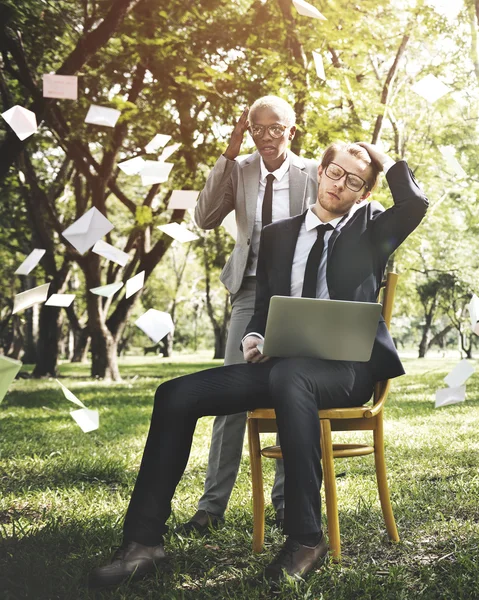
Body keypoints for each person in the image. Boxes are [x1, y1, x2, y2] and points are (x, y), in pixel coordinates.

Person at [89, 142, 428, 588]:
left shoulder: (372, 228)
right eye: (335, 172)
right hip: (282, 368)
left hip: (346, 372)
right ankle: (143, 542)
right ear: (321, 172)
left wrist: (379, 156)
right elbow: (263, 306)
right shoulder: (279, 233)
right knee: (175, 394)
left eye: (354, 181)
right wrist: (254, 337)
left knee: (292, 377)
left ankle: (306, 539)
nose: (340, 185)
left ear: (363, 193)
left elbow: (415, 203)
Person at [186, 96, 319, 533]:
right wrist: (228, 151)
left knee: (289, 391)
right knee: (231, 394)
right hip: (249, 289)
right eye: (256, 127)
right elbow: (205, 217)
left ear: (291, 131)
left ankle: (285, 503)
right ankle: (211, 507)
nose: (266, 136)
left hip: (297, 295)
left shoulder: (312, 173)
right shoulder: (239, 169)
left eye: (275, 127)